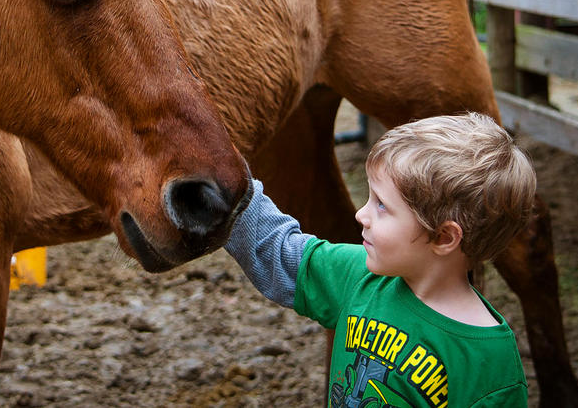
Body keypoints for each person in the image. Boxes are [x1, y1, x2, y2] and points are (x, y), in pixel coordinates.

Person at [226, 112, 536, 407]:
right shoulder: (357, 275)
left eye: (382, 206)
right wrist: (223, 177)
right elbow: (277, 249)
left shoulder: (490, 364)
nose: (361, 214)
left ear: (443, 238)